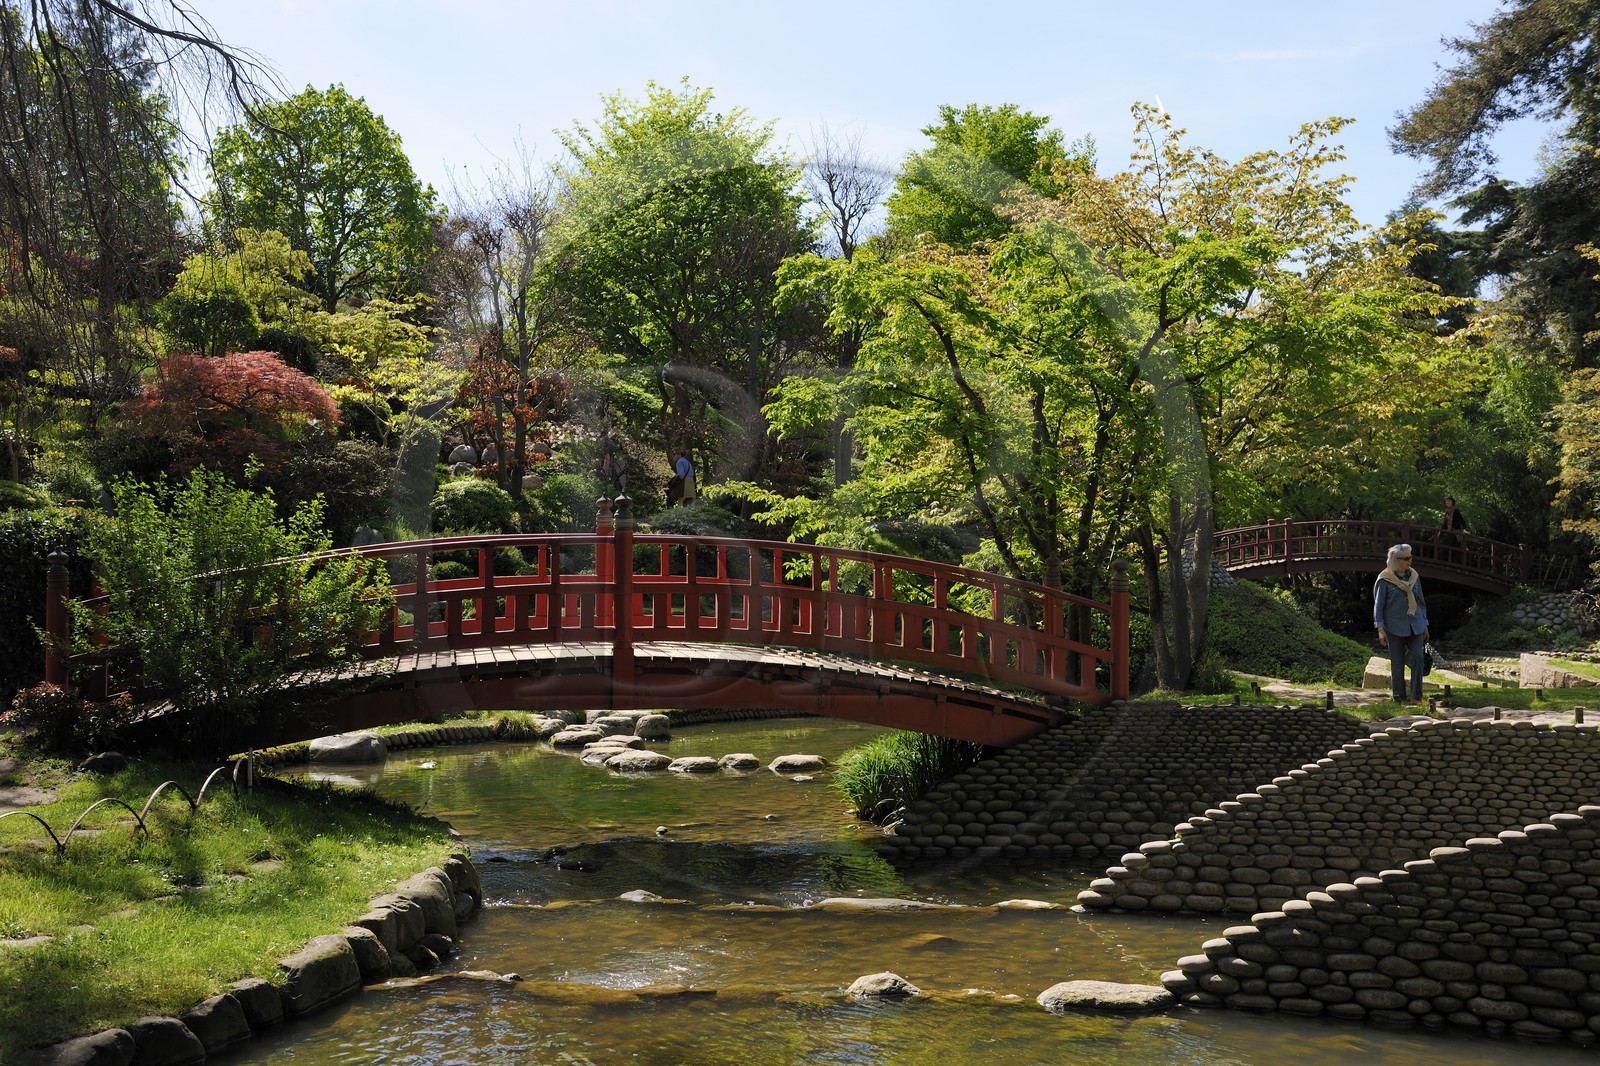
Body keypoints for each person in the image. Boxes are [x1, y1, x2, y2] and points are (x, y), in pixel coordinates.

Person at [1374, 542, 1430, 703]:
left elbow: (1420, 602)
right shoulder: (1385, 579)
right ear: (1395, 559)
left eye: (1410, 557)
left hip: (1416, 625)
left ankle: (1416, 696)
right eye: (1406, 558)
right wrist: (1380, 628)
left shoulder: (1414, 576)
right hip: (1393, 627)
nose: (1409, 560)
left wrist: (1425, 623)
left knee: (1418, 658)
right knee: (1397, 663)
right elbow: (1379, 606)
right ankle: (1399, 697)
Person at [1439, 495, 1468, 562]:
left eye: (1449, 501)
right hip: (1448, 532)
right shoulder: (1447, 512)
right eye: (1446, 501)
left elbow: (1462, 521)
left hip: (1455, 533)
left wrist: (1464, 529)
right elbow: (1444, 524)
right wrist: (1440, 532)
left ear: (1452, 502)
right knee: (1442, 542)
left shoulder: (1456, 511)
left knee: (1445, 544)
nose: (1447, 502)